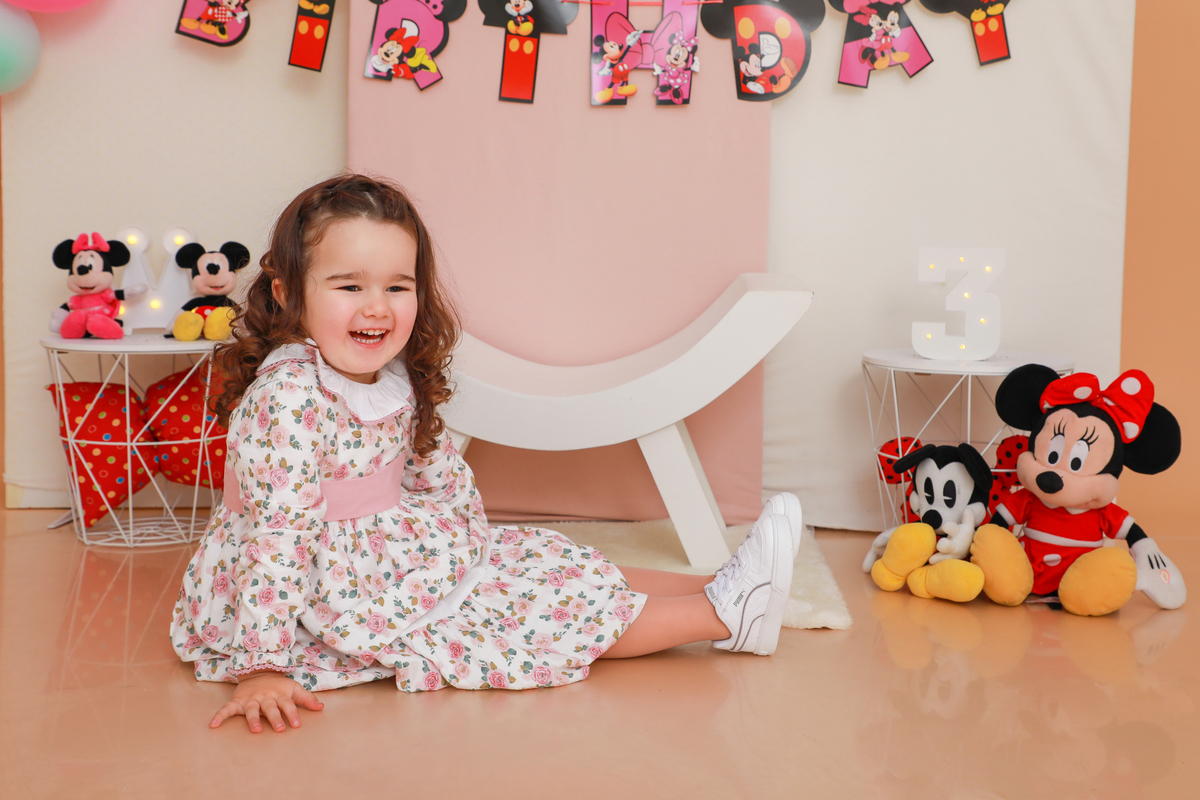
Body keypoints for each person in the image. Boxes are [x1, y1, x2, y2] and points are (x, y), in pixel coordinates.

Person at [170, 173, 803, 734]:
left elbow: (432, 468)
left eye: (398, 286)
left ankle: (723, 585)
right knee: (524, 616)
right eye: (349, 285)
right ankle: (721, 616)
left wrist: (470, 541)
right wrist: (263, 664)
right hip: (321, 586)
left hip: (385, 550)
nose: (377, 307)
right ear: (287, 293)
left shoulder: (389, 372)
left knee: (542, 563)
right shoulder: (287, 397)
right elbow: (279, 535)